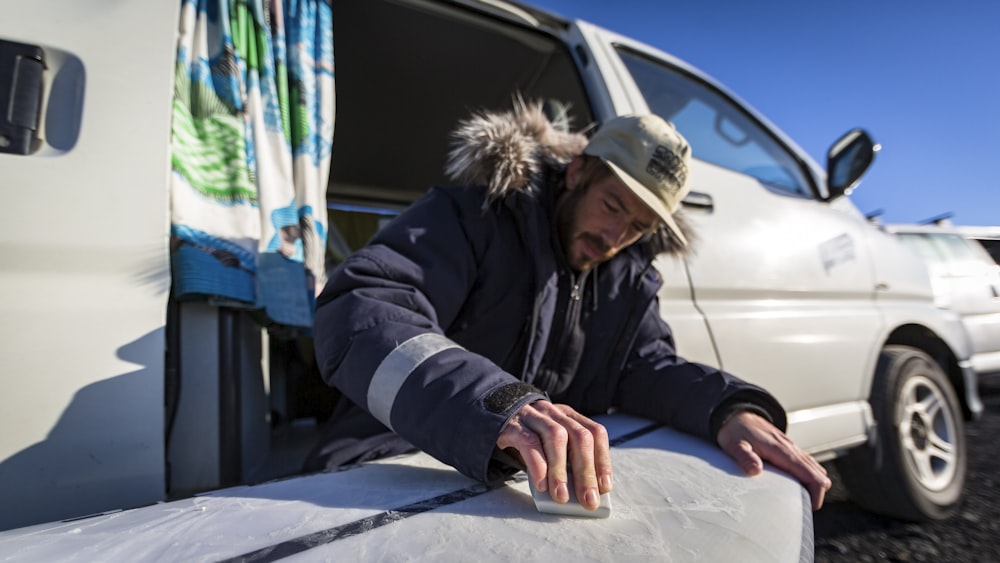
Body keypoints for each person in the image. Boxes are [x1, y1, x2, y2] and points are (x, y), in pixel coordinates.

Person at [306, 101, 831, 512]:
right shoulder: (473, 215)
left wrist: (727, 409)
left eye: (639, 228)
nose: (614, 236)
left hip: (511, 487)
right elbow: (362, 307)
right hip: (381, 463)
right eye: (612, 206)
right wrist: (499, 404)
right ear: (578, 172)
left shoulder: (626, 279)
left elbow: (645, 366)